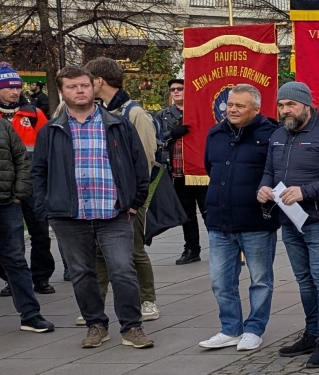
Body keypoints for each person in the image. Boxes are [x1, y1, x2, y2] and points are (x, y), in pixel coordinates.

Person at [32, 66, 152, 349]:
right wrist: (46, 208)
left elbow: (139, 166)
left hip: (114, 213)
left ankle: (132, 327)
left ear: (94, 86)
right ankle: (96, 324)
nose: (80, 90)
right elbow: (38, 172)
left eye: (84, 85)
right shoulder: (51, 130)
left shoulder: (118, 124)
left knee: (123, 269)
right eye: (72, 87)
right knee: (82, 273)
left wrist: (134, 203)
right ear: (63, 91)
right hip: (69, 216)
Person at [258, 81, 319, 368]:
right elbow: (268, 171)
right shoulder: (278, 135)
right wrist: (263, 189)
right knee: (304, 280)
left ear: (308, 106)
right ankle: (311, 333)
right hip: (290, 220)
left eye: (292, 105)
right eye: (281, 105)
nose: (285, 110)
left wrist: (305, 191)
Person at [200, 85, 279, 352]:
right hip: (220, 221)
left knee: (260, 279)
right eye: (230, 105)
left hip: (256, 221)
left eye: (239, 106)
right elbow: (210, 168)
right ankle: (230, 329)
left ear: (256, 109)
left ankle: (254, 329)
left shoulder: (271, 135)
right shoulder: (216, 133)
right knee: (220, 280)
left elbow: (279, 173)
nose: (231, 110)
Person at [83, 57, 160, 321]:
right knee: (100, 253)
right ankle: (97, 303)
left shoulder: (134, 113)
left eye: (88, 81)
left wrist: (135, 196)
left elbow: (147, 157)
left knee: (135, 250)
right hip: (102, 195)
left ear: (99, 81)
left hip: (128, 198)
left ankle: (147, 299)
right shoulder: (98, 111)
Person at [0, 95, 54, 335]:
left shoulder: (0, 126)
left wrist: (19, 193)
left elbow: (22, 160)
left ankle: (30, 315)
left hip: (4, 203)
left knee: (15, 260)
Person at [0, 62, 53, 295]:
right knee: (7, 235)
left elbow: (47, 146)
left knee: (40, 231)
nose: (15, 92)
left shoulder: (34, 113)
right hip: (2, 184)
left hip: (33, 182)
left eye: (18, 87)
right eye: (10, 88)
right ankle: (10, 280)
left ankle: (41, 277)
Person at [155, 77, 208, 265]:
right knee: (187, 214)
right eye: (172, 89)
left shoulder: (199, 112)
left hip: (200, 172)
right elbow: (156, 138)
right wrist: (172, 134)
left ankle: (222, 247)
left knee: (208, 211)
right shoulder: (163, 115)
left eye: (180, 88)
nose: (176, 92)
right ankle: (192, 249)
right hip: (177, 171)